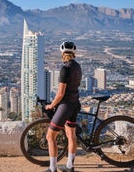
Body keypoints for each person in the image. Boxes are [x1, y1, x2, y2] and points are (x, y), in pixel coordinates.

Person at [43, 41, 82, 172]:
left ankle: (52, 168)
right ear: (74, 52)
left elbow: (60, 94)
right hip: (75, 103)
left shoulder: (65, 69)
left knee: (50, 136)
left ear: (62, 53)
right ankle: (69, 166)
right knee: (71, 135)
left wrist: (51, 105)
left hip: (65, 106)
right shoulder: (77, 67)